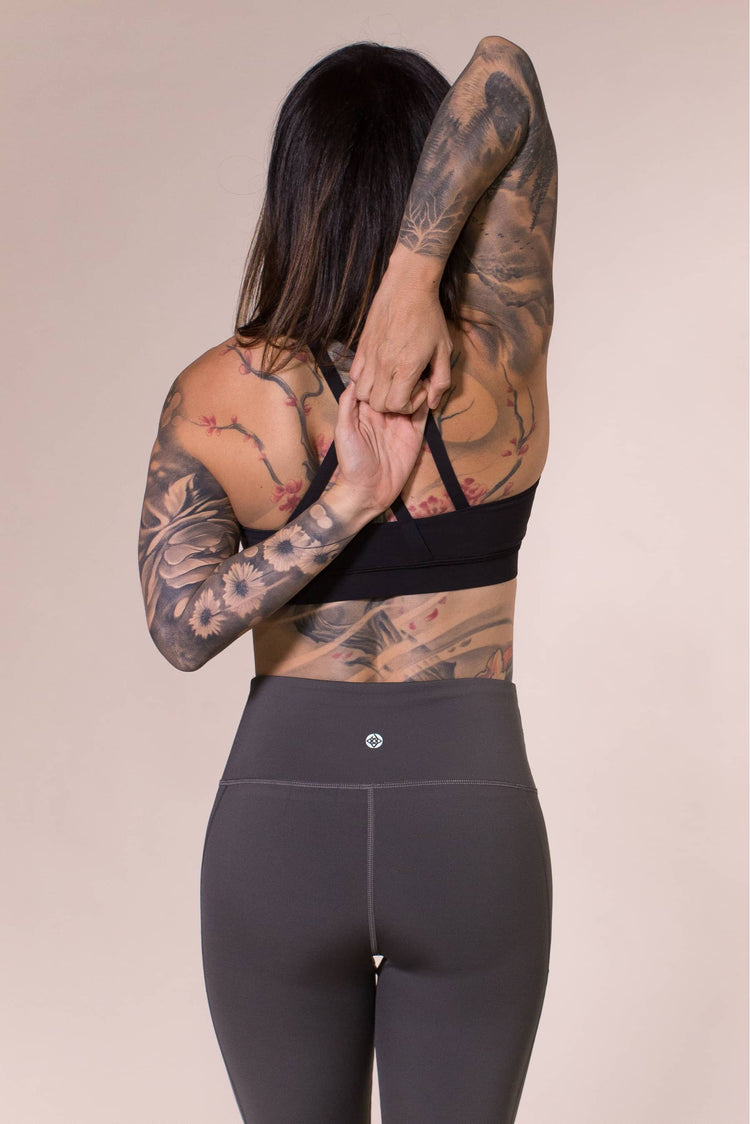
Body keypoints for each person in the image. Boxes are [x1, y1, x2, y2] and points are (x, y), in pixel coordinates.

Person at [138, 33, 557, 1124]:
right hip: (466, 819)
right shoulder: (498, 358)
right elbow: (504, 75)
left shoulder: (218, 392)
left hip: (279, 826)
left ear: (297, 194)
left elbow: (181, 626)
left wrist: (335, 505)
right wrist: (418, 277)